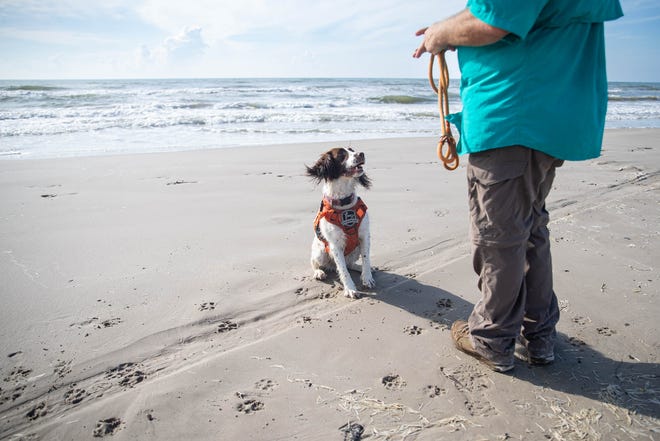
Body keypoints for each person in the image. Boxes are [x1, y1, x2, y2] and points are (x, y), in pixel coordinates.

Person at [413, 0, 623, 373]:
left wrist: (439, 35)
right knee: (529, 226)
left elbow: (494, 20)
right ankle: (538, 334)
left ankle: (493, 337)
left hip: (512, 115)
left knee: (499, 235)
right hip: (546, 112)